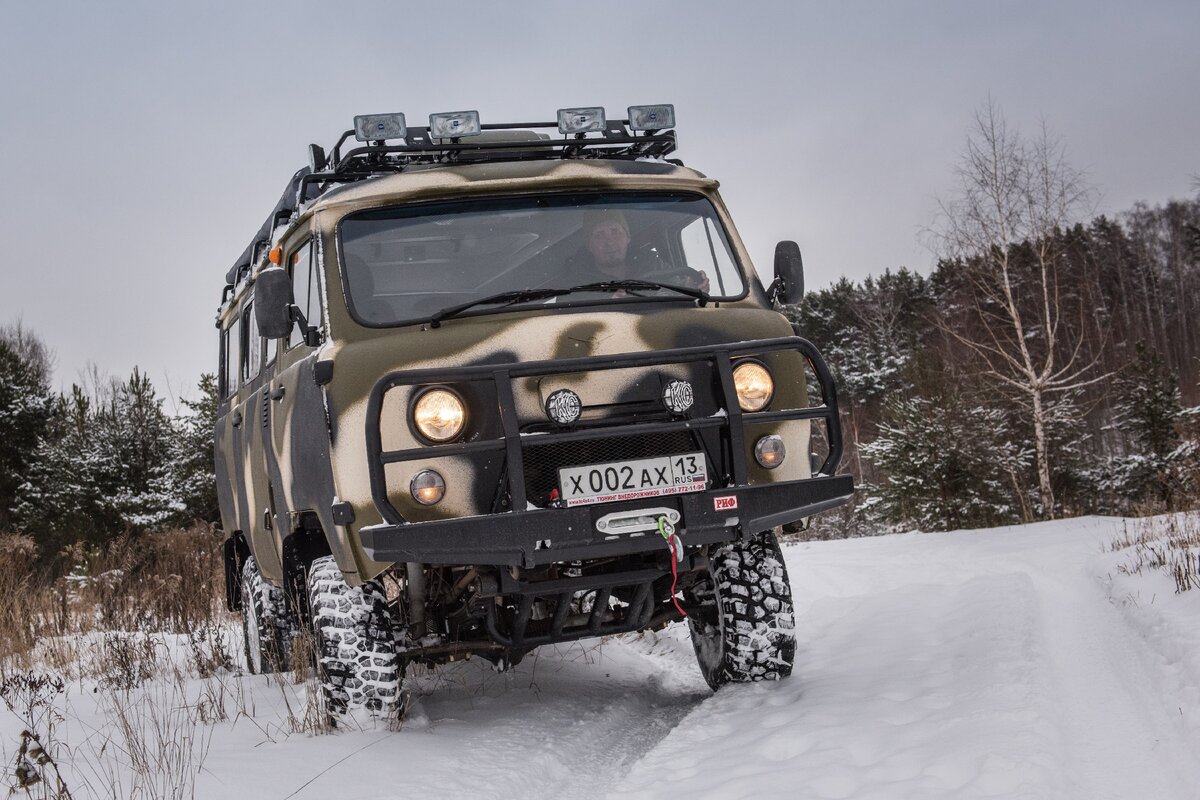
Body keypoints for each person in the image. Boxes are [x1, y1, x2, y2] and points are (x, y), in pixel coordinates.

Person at [566, 210, 710, 293]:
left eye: (615, 232)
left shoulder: (653, 265)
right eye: (599, 235)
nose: (609, 242)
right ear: (589, 246)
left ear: (628, 237)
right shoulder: (576, 285)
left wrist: (691, 287)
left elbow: (676, 288)